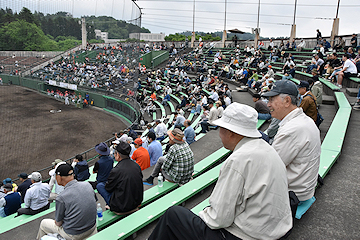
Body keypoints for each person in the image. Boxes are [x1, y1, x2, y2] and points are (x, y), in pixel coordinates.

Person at [148, 103, 292, 240]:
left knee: (173, 215)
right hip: (275, 230)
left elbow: (218, 218)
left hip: (246, 235)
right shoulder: (267, 149)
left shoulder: (238, 160)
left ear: (230, 133)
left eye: (221, 128)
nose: (219, 133)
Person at [263, 80, 321, 203]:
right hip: (304, 187)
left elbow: (269, 169)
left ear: (287, 101)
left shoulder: (291, 130)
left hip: (293, 193)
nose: (268, 104)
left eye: (272, 100)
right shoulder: (304, 120)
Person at [37, 164, 98, 240]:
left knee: (43, 223)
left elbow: (58, 223)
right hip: (92, 228)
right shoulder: (87, 185)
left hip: (74, 235)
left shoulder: (61, 197)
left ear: (59, 177)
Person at [96, 142, 143, 214]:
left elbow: (108, 188)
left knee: (99, 185)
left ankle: (110, 206)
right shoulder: (136, 166)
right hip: (136, 202)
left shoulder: (116, 170)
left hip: (121, 207)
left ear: (118, 155)